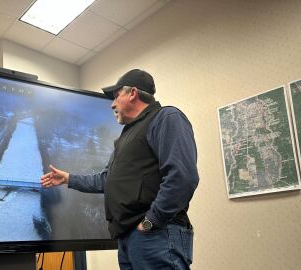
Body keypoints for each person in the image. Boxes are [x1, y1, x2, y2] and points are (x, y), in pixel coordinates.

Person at [40, 69, 199, 270]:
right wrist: (68, 179)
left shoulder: (166, 117)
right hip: (129, 240)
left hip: (155, 236)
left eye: (116, 96)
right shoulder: (126, 136)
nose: (112, 104)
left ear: (133, 93)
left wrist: (150, 222)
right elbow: (107, 180)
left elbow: (183, 177)